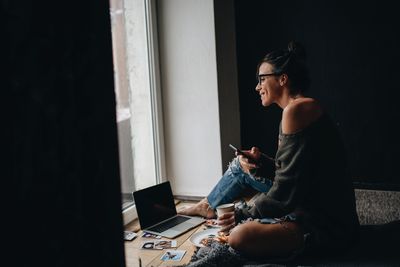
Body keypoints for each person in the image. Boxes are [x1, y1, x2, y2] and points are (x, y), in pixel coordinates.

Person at [179, 41, 360, 259]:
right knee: (241, 165)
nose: (257, 87)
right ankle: (207, 205)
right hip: (305, 202)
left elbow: (284, 192)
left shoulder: (297, 110)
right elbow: (297, 173)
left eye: (262, 79)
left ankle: (217, 211)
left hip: (324, 224)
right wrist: (261, 163)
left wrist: (241, 214)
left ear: (283, 79)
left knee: (238, 237)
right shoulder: (297, 108)